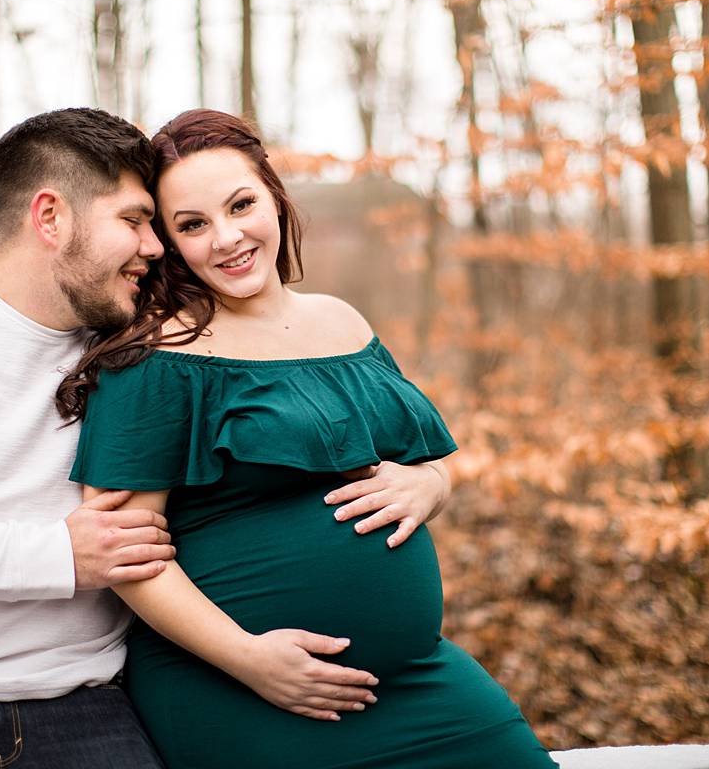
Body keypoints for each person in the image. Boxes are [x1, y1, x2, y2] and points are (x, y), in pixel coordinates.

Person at [0, 107, 447, 769]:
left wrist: (428, 477)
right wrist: (56, 556)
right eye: (133, 221)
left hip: (88, 705)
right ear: (50, 217)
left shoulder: (136, 347)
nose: (155, 246)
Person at [61, 109, 560, 769]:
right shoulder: (157, 357)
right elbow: (128, 555)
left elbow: (432, 462)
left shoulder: (343, 323)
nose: (227, 237)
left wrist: (430, 484)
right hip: (237, 688)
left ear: (275, 197)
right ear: (172, 244)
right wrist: (252, 660)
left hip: (415, 681)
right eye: (193, 225)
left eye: (242, 205)